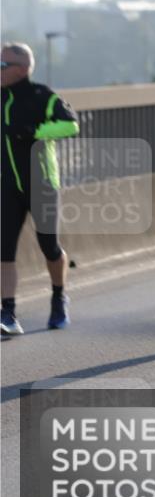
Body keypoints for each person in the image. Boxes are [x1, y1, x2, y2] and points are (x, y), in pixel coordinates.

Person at [1, 42, 79, 335]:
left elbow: (70, 125)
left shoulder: (42, 95)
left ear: (21, 70)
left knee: (49, 247)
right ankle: (7, 313)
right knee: (3, 250)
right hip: (6, 186)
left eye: (2, 65)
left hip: (42, 184)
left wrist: (34, 132)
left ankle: (59, 296)